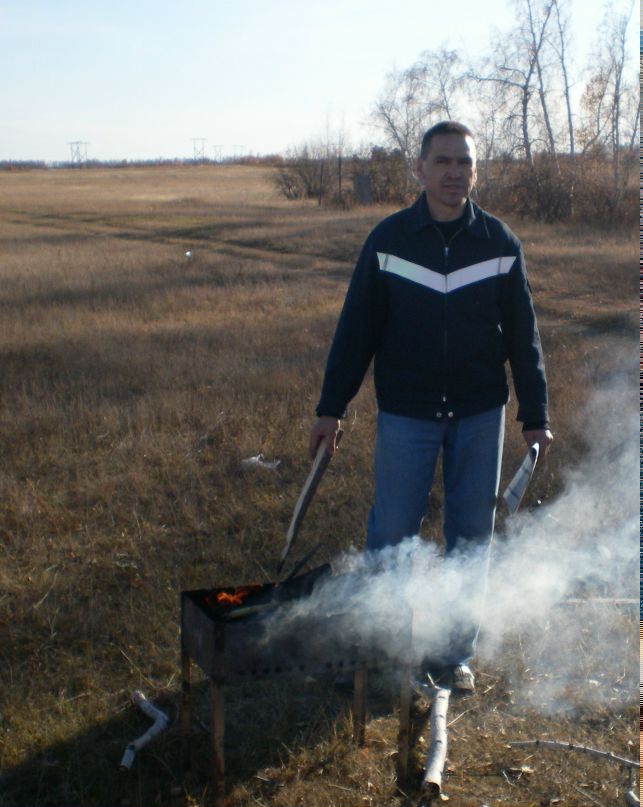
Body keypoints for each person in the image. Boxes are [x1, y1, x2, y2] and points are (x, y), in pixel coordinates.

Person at [308, 121, 553, 691]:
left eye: (464, 163)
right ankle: (387, 646)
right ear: (418, 169)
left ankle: (452, 656)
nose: (454, 173)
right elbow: (356, 332)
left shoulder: (499, 244)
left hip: (478, 413)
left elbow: (525, 337)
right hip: (407, 414)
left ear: (475, 170)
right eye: (442, 161)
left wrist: (536, 417)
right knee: (392, 530)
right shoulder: (389, 241)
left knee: (471, 534)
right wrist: (331, 407)